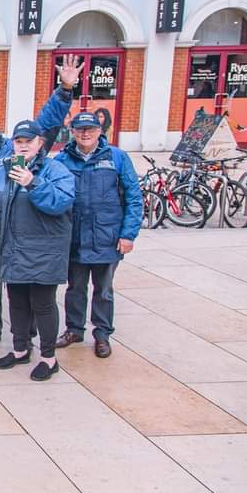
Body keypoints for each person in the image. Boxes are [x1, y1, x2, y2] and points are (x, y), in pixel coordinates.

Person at [0, 55, 80, 349]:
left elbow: (46, 122)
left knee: (23, 290)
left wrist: (64, 89)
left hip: (17, 233)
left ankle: (27, 335)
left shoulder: (13, 149)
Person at [0, 120, 76, 381]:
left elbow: (61, 203)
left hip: (44, 253)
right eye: (19, 141)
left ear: (40, 143)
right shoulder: (2, 172)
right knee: (16, 303)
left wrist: (33, 183)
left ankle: (48, 358)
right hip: (12, 250)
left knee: (43, 305)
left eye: (29, 141)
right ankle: (20, 350)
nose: (24, 145)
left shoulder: (55, 170)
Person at [54, 112, 142, 358]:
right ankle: (74, 329)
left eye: (90, 129)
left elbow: (134, 198)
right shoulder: (62, 160)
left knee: (103, 289)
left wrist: (128, 234)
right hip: (75, 238)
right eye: (80, 129)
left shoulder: (117, 158)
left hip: (107, 236)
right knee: (75, 288)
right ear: (73, 132)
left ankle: (102, 334)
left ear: (99, 131)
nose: (85, 133)